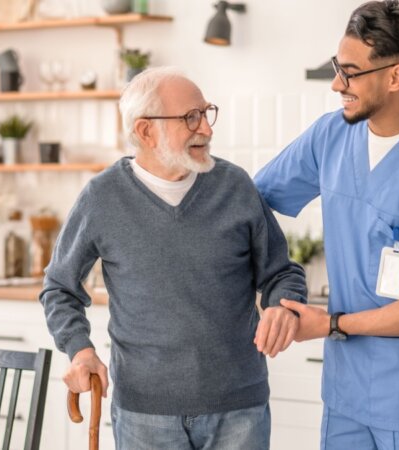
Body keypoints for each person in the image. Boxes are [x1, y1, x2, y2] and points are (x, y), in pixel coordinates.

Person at [254, 1, 399, 449]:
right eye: (336, 67)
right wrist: (278, 288)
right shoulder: (331, 136)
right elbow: (252, 204)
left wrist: (332, 324)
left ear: (396, 77)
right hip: (346, 392)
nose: (336, 85)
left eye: (350, 72)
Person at [40, 66, 307, 449]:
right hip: (144, 414)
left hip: (239, 410)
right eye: (190, 118)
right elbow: (59, 286)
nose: (207, 129)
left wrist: (283, 305)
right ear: (146, 130)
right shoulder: (102, 197)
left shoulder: (235, 186)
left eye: (206, 113)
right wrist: (79, 349)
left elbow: (282, 272)